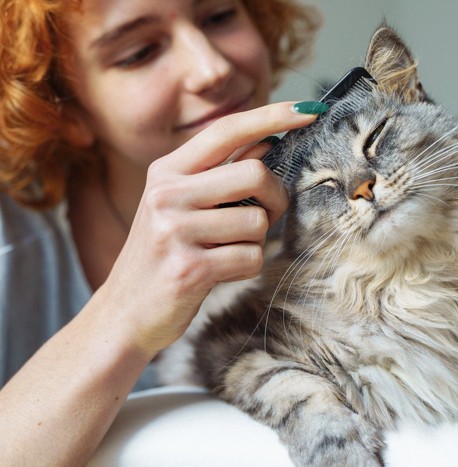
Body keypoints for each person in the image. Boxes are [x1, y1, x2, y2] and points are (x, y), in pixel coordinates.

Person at [0, 0, 324, 464]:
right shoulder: (9, 244)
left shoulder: (345, 207)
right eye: (138, 52)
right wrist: (123, 312)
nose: (210, 68)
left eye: (219, 16)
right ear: (65, 109)